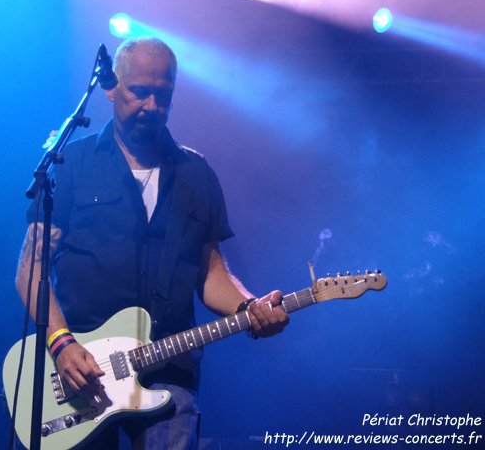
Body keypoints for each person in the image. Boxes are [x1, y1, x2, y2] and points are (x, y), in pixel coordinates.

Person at [15, 37, 289, 449]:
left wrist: (249, 307)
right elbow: (30, 270)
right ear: (110, 88)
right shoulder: (71, 164)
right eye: (139, 92)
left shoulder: (197, 174)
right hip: (80, 369)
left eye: (164, 96)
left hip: (168, 368)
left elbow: (211, 271)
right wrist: (61, 344)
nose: (151, 106)